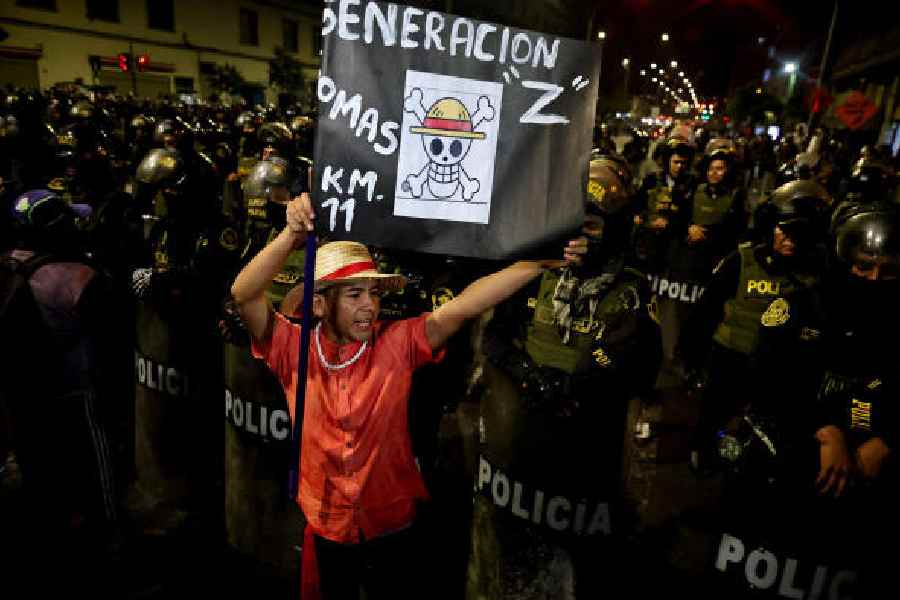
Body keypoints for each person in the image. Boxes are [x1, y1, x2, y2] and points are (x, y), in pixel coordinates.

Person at [230, 193, 584, 599]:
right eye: (354, 295)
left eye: (374, 294)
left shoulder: (398, 343)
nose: (370, 307)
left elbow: (464, 307)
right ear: (320, 303)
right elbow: (243, 294)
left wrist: (535, 263)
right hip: (327, 526)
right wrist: (291, 235)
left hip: (392, 523)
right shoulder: (291, 348)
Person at [466, 153, 661, 599]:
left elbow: (638, 364)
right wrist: (527, 374)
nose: (579, 238)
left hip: (586, 457)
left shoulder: (631, 287)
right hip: (518, 450)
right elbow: (496, 336)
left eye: (592, 227)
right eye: (572, 224)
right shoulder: (536, 272)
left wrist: (572, 385)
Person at [1, 189, 121, 594]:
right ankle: (108, 552)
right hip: (76, 395)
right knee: (97, 475)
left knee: (42, 475)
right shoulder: (78, 279)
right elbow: (110, 344)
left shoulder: (8, 266)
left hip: (24, 397)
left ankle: (49, 549)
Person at [677, 178, 830, 472]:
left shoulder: (813, 274)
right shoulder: (741, 261)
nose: (790, 240)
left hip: (779, 369)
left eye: (800, 233)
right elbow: (706, 311)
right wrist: (690, 357)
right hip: (730, 357)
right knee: (714, 415)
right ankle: (703, 453)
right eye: (785, 231)